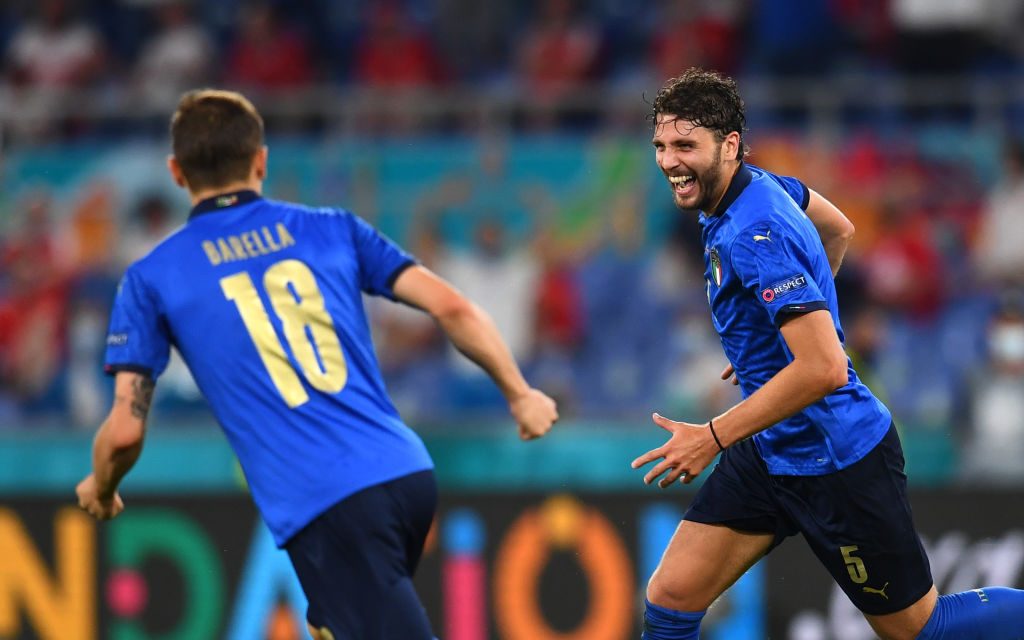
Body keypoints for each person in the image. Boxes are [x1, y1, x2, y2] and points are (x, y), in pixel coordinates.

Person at [75, 89, 559, 640]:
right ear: (261, 161)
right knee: (333, 625)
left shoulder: (150, 277)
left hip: (330, 504)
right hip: (405, 473)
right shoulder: (333, 227)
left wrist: (101, 485)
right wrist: (519, 392)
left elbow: (124, 431)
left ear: (176, 172)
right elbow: (453, 306)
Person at [631, 68, 1024, 640]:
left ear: (729, 145)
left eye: (685, 146)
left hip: (836, 458)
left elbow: (824, 367)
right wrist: (777, 335)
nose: (669, 161)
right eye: (661, 146)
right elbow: (838, 228)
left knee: (920, 629)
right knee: (671, 596)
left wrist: (712, 436)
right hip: (771, 449)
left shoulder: (755, 232)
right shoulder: (756, 186)